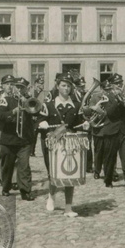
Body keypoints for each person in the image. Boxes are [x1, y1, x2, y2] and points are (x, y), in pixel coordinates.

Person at [38, 73, 89, 217]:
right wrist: (42, 123)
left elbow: (78, 123)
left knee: (70, 172)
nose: (66, 88)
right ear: (58, 86)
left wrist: (84, 124)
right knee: (53, 172)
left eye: (68, 86)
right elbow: (39, 121)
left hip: (71, 142)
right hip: (54, 143)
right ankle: (52, 196)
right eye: (63, 85)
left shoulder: (76, 105)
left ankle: (68, 208)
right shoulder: (49, 105)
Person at [0, 77, 36, 200]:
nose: (18, 89)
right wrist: (13, 112)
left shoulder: (30, 101)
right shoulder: (6, 100)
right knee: (7, 166)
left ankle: (25, 191)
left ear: (25, 89)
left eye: (21, 88)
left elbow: (36, 113)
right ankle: (6, 187)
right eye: (16, 87)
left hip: (24, 140)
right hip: (8, 139)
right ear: (13, 88)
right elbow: (0, 116)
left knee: (24, 167)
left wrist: (28, 104)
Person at [90, 75, 123, 188]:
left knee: (111, 154)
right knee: (101, 152)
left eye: (109, 89)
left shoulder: (119, 96)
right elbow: (91, 111)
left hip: (114, 129)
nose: (107, 91)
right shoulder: (99, 97)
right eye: (106, 89)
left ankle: (110, 175)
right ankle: (99, 172)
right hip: (102, 129)